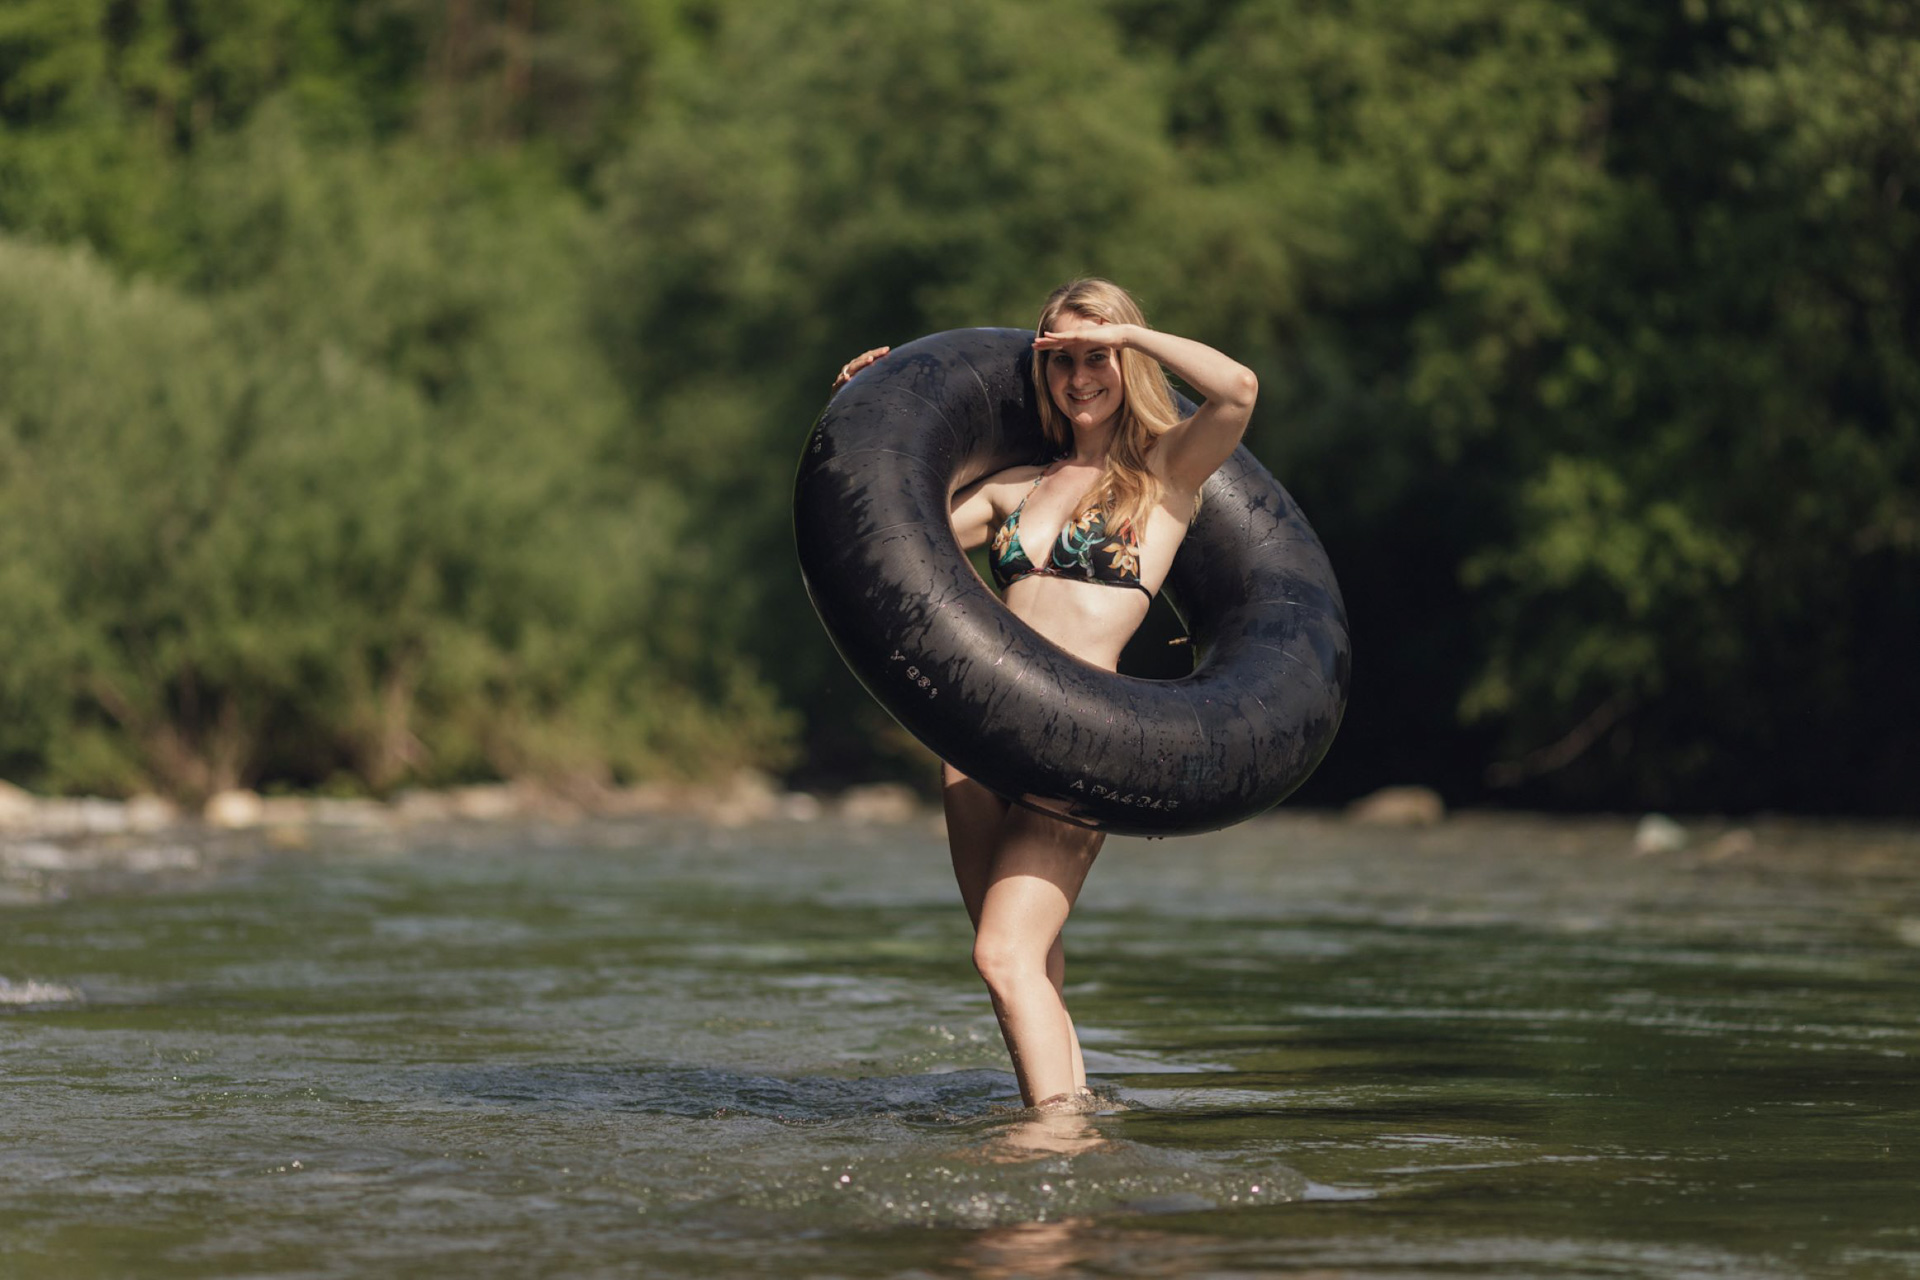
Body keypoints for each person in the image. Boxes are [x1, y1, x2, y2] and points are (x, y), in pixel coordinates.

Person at [830, 278, 1257, 1110]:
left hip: (1082, 740)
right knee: (1034, 960)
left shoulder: (1166, 475)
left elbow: (1238, 388)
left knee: (1002, 955)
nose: (1079, 376)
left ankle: (1052, 1141)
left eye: (1095, 356)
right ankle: (1076, 1119)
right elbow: (882, 530)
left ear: (1125, 360)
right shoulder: (1012, 488)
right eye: (1060, 359)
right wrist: (862, 406)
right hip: (978, 742)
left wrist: (1133, 340)